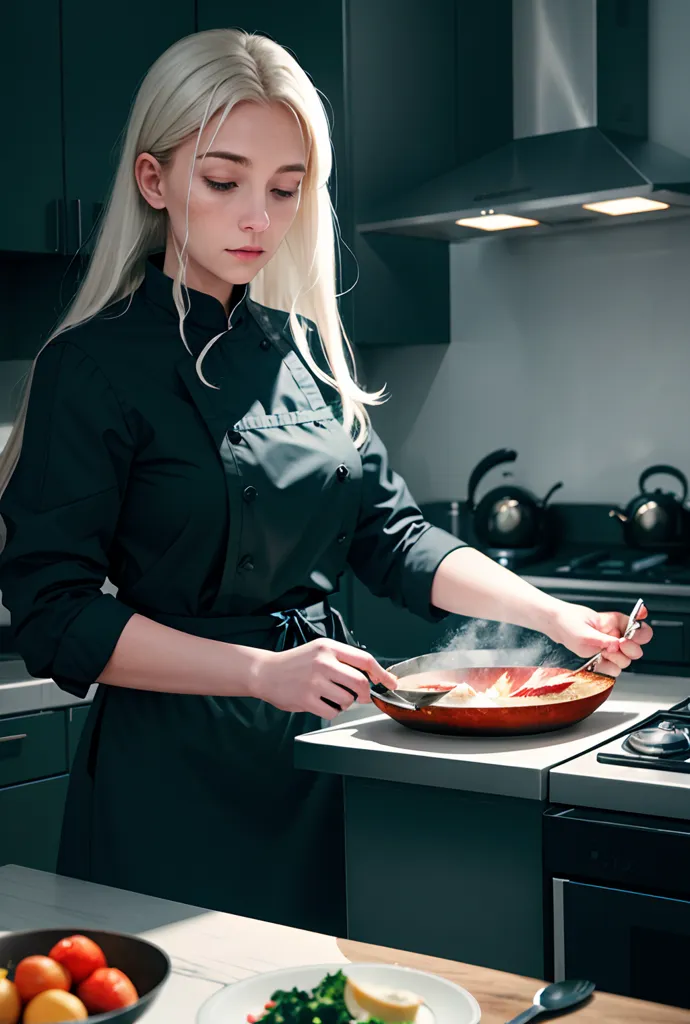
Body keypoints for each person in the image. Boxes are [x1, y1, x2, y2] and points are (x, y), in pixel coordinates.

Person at [0, 29, 651, 937]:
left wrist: (552, 615)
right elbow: (55, 612)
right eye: (223, 182)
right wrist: (264, 671)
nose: (257, 219)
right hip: (172, 779)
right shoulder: (91, 365)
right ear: (154, 182)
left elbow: (394, 538)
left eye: (285, 188)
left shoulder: (302, 351)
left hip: (321, 754)